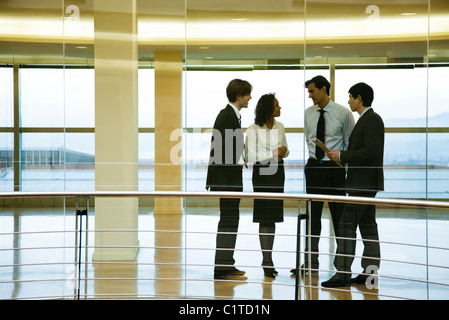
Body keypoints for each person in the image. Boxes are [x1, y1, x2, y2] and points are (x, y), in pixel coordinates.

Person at [322, 82, 384, 288]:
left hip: (363, 184)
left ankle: (342, 274)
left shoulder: (372, 120)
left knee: (346, 225)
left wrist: (343, 155)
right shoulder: (365, 120)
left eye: (350, 97)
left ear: (359, 98)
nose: (348, 101)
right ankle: (370, 274)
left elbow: (371, 151)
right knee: (368, 227)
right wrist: (342, 157)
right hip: (363, 183)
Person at [297, 75, 355, 275]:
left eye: (312, 91)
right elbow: (308, 140)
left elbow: (350, 144)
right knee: (313, 218)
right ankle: (311, 262)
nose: (310, 95)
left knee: (339, 218)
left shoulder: (343, 113)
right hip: (314, 167)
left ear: (323, 89)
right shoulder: (308, 114)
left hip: (335, 169)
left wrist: (342, 164)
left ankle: (342, 267)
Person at [206, 78, 252, 280]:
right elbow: (220, 151)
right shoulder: (227, 116)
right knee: (228, 220)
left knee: (230, 220)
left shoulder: (232, 116)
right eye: (247, 94)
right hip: (227, 180)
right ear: (239, 96)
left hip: (229, 178)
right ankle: (223, 267)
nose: (250, 97)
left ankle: (226, 264)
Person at [245, 93, 289, 278]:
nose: (280, 108)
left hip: (278, 173)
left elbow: (285, 150)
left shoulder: (280, 126)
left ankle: (269, 258)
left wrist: (284, 151)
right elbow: (250, 157)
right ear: (268, 109)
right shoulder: (253, 129)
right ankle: (267, 260)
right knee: (265, 216)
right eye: (277, 105)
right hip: (262, 174)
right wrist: (273, 152)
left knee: (273, 216)